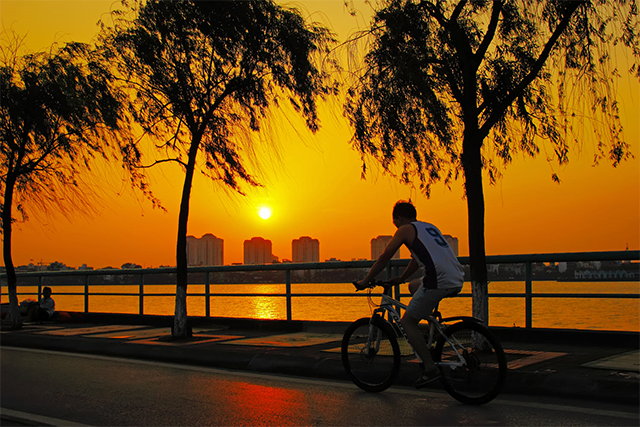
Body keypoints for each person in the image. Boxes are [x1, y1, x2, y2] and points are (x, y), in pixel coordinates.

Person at [355, 200, 464, 389]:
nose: (396, 227)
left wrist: (366, 280)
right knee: (413, 287)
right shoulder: (428, 227)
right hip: (456, 276)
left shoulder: (405, 229)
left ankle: (430, 369)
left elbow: (385, 257)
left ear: (398, 218)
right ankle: (433, 328)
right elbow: (416, 258)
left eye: (395, 222)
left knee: (406, 322)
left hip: (438, 279)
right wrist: (402, 278)